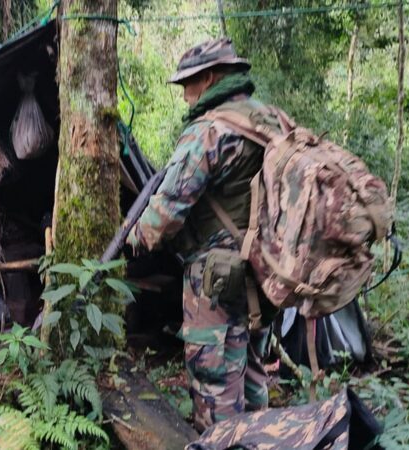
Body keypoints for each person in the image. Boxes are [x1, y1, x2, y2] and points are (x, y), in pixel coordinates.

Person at [126, 38, 277, 432]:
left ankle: (223, 440)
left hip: (217, 277)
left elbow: (166, 213)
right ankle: (261, 439)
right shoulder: (270, 120)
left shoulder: (209, 131)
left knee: (215, 382)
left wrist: (134, 242)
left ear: (208, 78)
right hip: (267, 268)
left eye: (186, 86)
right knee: (254, 370)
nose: (184, 97)